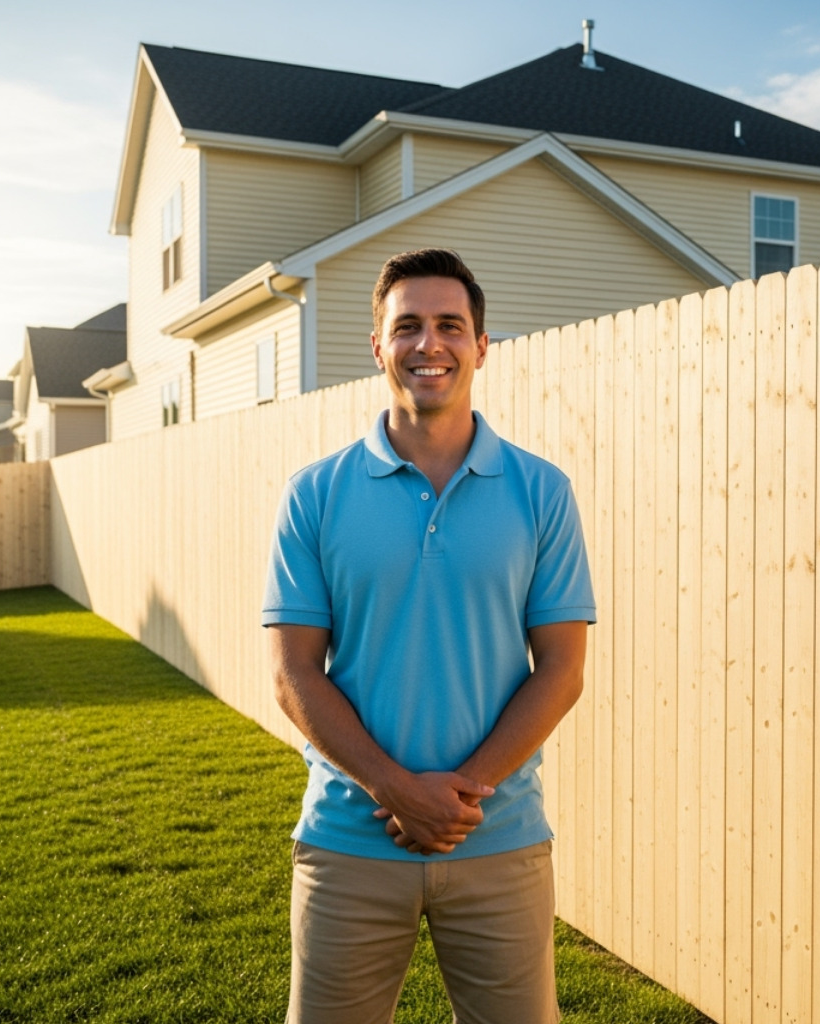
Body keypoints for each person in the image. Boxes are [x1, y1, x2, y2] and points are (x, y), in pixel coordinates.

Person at [262, 248, 595, 1024]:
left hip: (499, 838)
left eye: (450, 325)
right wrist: (394, 788)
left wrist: (455, 799)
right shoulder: (314, 494)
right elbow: (293, 674)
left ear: (483, 344)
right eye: (406, 326)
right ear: (377, 346)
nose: (429, 344)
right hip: (349, 838)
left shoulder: (542, 492)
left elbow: (563, 669)